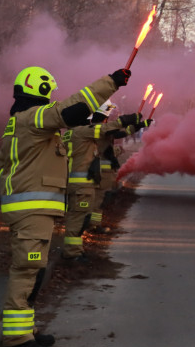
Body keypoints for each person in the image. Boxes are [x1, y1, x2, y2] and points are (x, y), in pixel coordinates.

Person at [0, 65, 130, 347]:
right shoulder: (33, 117)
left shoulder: (20, 121)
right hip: (31, 210)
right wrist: (111, 82)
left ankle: (24, 330)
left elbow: (7, 163)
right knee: (28, 269)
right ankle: (16, 339)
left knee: (35, 270)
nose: (51, 98)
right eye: (48, 92)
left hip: (32, 210)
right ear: (39, 89)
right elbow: (70, 109)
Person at [61, 103, 148, 261]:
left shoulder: (72, 133)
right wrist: (125, 119)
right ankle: (72, 252)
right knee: (78, 218)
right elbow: (104, 130)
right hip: (82, 182)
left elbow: (113, 133)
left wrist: (137, 125)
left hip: (80, 181)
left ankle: (75, 250)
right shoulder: (82, 132)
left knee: (81, 216)